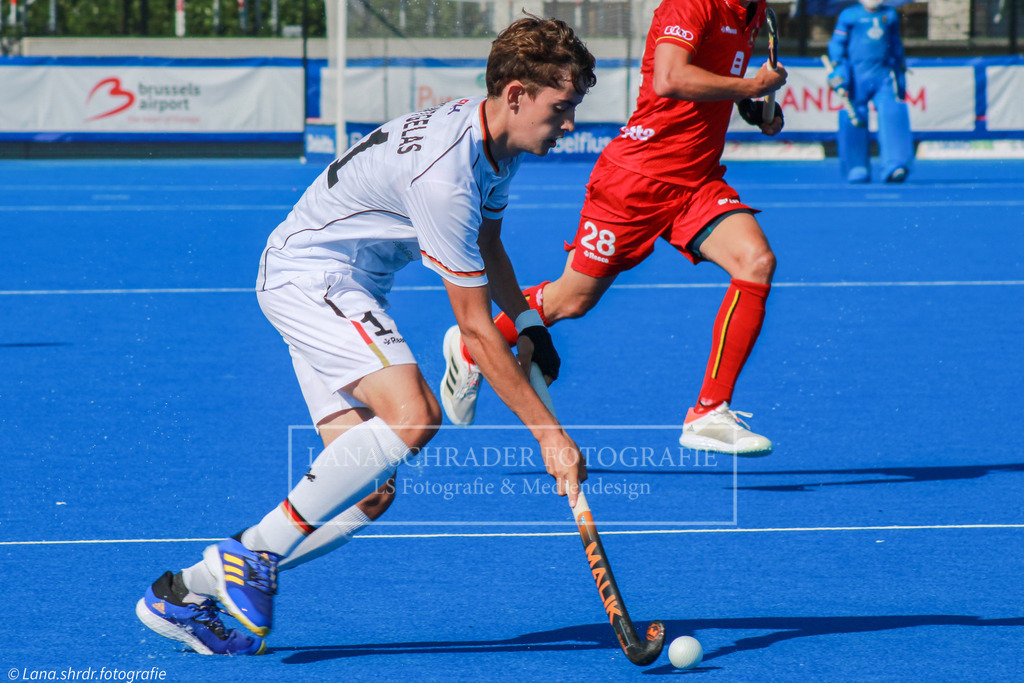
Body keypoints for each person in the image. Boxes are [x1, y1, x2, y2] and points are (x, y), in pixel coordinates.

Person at [135, 15, 595, 656]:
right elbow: (472, 329)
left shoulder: (490, 138)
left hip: (334, 282)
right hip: (314, 278)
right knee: (416, 416)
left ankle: (181, 592)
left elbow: (489, 243)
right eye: (561, 108)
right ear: (516, 94)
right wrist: (551, 437)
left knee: (368, 489)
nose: (570, 123)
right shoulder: (447, 176)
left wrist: (529, 324)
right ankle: (252, 552)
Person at [441, 0, 787, 457]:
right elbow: (671, 77)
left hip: (697, 179)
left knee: (756, 261)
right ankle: (472, 346)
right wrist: (752, 84)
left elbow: (719, 78)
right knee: (573, 300)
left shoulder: (754, 12)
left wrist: (752, 106)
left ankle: (709, 411)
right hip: (636, 180)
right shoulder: (692, 6)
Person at [827, 0, 912, 183]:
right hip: (857, 78)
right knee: (855, 119)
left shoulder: (890, 15)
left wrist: (900, 72)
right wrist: (838, 71)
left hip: (883, 76)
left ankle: (895, 164)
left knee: (891, 114)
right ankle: (856, 166)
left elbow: (895, 45)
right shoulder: (849, 15)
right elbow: (837, 45)